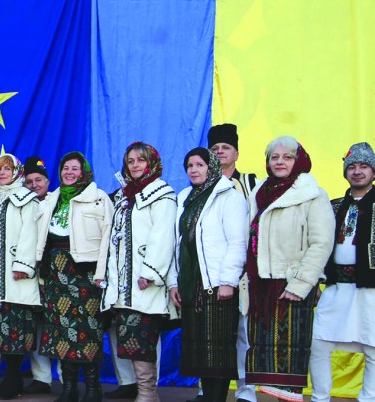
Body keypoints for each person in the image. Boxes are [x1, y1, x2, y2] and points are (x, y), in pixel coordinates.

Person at [244, 137, 333, 402]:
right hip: (262, 284)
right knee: (266, 360)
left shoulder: (312, 194)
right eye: (275, 157)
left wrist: (302, 284)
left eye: (287, 157)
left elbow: (321, 243)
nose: (280, 162)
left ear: (299, 160)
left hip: (291, 284)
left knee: (289, 357)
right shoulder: (260, 192)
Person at [98, 142, 177, 402]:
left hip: (146, 282)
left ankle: (147, 393)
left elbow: (162, 236)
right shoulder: (124, 197)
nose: (134, 165)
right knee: (130, 337)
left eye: (140, 160)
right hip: (124, 284)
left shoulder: (162, 194)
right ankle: (143, 392)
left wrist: (150, 272)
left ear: (151, 163)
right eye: (130, 161)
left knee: (144, 337)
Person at [168, 148, 248, 402]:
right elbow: (178, 243)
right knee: (200, 349)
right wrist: (174, 282)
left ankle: (217, 398)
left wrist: (228, 281)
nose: (193, 170)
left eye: (200, 165)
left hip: (217, 283)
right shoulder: (185, 197)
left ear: (211, 166)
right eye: (189, 165)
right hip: (191, 284)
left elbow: (237, 242)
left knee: (218, 350)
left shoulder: (229, 197)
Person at [37, 152, 113, 402]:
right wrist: (41, 272)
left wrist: (101, 274)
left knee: (88, 331)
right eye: (65, 168)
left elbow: (107, 240)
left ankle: (92, 389)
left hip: (85, 275)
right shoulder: (53, 198)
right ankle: (68, 388)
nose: (69, 172)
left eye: (74, 168)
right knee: (61, 332)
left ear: (84, 172)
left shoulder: (98, 198)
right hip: (56, 275)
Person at [310, 142, 375, 402]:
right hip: (336, 287)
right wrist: (314, 282)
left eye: (364, 166)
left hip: (371, 289)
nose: (357, 171)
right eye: (352, 166)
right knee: (319, 343)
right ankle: (320, 398)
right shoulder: (333, 206)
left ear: (373, 172)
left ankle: (368, 398)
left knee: (373, 347)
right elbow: (317, 244)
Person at [201, 123, 259, 402]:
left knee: (244, 334)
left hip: (244, 270)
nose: (220, 152)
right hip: (210, 271)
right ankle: (205, 390)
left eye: (226, 147)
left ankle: (246, 392)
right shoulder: (200, 183)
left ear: (237, 153)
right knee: (208, 334)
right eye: (215, 148)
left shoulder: (251, 183)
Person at [0, 154, 40, 400]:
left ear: (17, 171)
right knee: (1, 330)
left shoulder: (27, 198)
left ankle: (13, 380)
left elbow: (30, 233)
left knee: (16, 330)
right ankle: (10, 378)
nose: (2, 173)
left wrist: (23, 265)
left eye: (7, 169)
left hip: (15, 275)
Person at [19, 155, 54, 395]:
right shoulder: (23, 204)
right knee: (36, 325)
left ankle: (66, 379)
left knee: (58, 327)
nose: (34, 185)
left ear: (47, 182)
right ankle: (41, 377)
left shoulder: (57, 203)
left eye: (38, 180)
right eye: (29, 181)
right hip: (31, 274)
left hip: (55, 273)